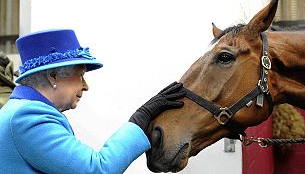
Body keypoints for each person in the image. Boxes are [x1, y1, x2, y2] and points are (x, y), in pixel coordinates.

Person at [0, 29, 186, 173]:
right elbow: (97, 170)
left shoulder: (19, 110)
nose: (85, 86)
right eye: (80, 75)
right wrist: (140, 118)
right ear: (53, 76)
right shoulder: (28, 117)